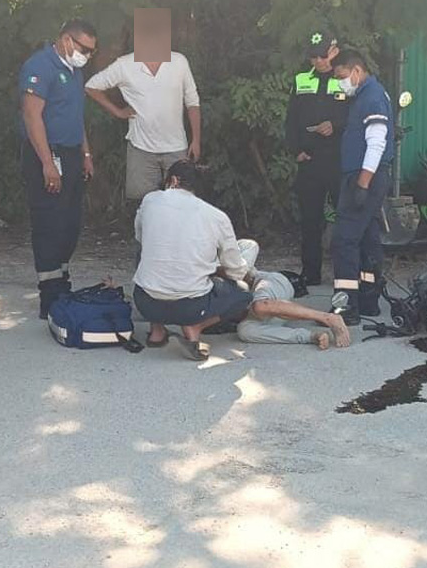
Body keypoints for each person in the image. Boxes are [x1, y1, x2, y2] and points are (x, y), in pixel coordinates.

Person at [133, 160, 252, 361]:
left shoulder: (150, 200)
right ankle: (195, 327)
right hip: (192, 308)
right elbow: (235, 270)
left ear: (173, 180)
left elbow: (140, 236)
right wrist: (215, 271)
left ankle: (157, 332)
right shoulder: (216, 216)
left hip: (146, 302)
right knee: (243, 295)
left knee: (143, 253)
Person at [19, 18, 98, 319]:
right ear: (66, 40)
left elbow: (76, 117)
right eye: (84, 48)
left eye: (91, 51)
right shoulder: (39, 66)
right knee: (49, 223)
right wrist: (47, 164)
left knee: (69, 223)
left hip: (72, 152)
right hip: (46, 153)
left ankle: (62, 284)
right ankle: (49, 296)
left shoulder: (74, 71)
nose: (87, 55)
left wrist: (86, 152)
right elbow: (32, 117)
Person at [85, 35, 201, 202]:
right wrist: (118, 112)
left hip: (176, 146)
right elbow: (91, 86)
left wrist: (196, 140)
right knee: (143, 203)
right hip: (141, 148)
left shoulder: (179, 62)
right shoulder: (124, 65)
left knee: (182, 202)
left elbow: (192, 101)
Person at [329, 49, 395, 325]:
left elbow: (377, 141)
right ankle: (368, 299)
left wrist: (362, 184)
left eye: (342, 76)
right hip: (365, 176)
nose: (340, 83)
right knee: (367, 237)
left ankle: (346, 306)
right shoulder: (367, 95)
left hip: (365, 177)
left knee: (344, 239)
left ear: (357, 71)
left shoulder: (372, 97)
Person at [285, 31, 350, 285]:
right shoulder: (301, 80)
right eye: (313, 57)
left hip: (337, 159)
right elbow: (290, 121)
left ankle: (345, 274)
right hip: (309, 160)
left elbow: (356, 116)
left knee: (344, 219)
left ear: (334, 51)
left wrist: (335, 125)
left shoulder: (345, 78)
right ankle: (310, 274)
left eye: (322, 56)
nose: (318, 61)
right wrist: (295, 150)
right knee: (310, 221)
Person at [233, 240, 352, 350]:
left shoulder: (231, 247)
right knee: (245, 331)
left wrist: (230, 273)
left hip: (268, 284)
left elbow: (250, 245)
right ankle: (311, 336)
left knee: (260, 306)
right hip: (254, 311)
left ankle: (328, 318)